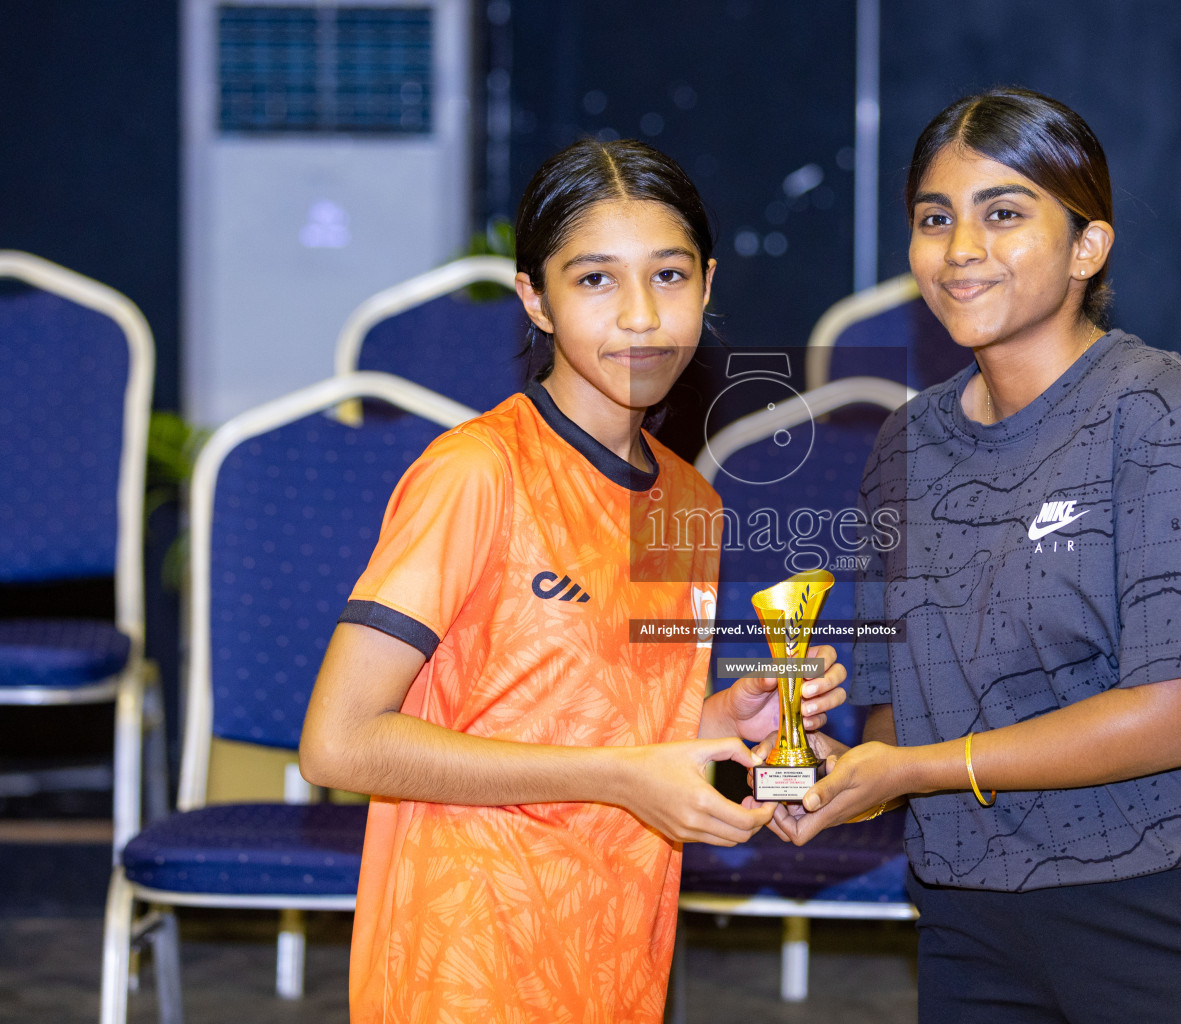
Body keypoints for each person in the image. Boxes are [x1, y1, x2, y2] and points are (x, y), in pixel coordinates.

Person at [769, 88, 1181, 1023]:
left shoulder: (1163, 412)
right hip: (970, 926)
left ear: (1088, 247)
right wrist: (838, 779)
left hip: (1177, 915)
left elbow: (1173, 721)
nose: (960, 250)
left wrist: (913, 773)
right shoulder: (902, 449)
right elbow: (903, 725)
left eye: (1003, 214)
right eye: (934, 219)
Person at [298, 138, 846, 1024]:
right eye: (595, 280)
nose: (639, 316)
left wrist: (719, 724)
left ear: (706, 287)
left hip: (619, 949)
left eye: (668, 277)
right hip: (464, 956)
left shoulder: (690, 502)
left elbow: (620, 725)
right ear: (536, 299)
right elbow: (338, 741)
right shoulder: (476, 471)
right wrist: (623, 775)